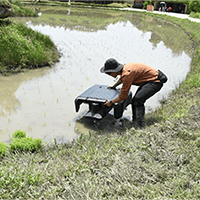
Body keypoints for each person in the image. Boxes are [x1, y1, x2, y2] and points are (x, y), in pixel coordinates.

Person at [100, 58, 167, 129]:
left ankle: (139, 125)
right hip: (147, 81)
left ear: (113, 72)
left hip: (155, 82)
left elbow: (123, 96)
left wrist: (111, 102)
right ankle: (135, 120)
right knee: (135, 100)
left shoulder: (127, 74)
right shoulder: (125, 68)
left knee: (138, 100)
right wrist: (114, 86)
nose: (108, 75)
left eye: (108, 73)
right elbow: (122, 78)